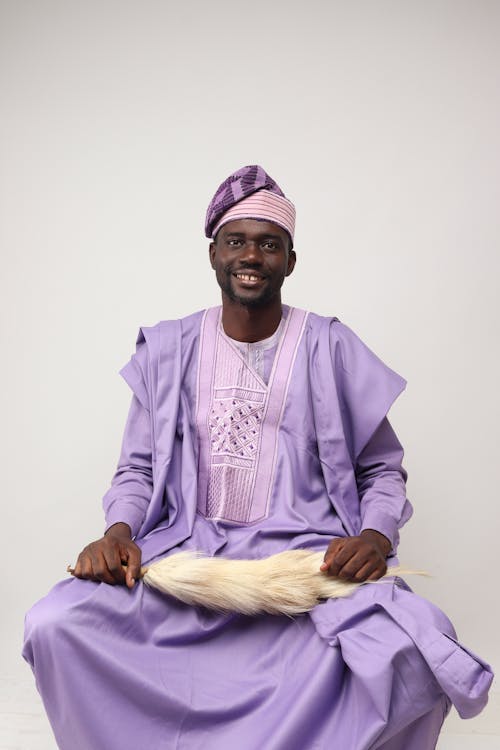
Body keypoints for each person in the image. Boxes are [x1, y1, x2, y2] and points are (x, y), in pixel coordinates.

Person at [23, 165, 492, 750]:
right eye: (236, 240)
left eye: (269, 244)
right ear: (213, 253)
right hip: (189, 562)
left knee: (413, 652)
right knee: (56, 624)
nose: (251, 255)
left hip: (305, 563)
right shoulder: (170, 351)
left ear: (290, 260)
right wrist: (118, 531)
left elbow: (381, 471)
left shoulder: (331, 346)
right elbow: (138, 470)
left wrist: (374, 537)